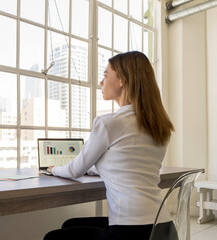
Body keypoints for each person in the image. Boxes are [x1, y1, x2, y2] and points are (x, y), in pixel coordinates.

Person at [44, 51, 175, 240]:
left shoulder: (109, 123)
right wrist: (95, 170)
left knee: (53, 237)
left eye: (106, 75)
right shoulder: (159, 125)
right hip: (163, 228)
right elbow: (129, 167)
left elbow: (74, 170)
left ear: (122, 79)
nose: (101, 82)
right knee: (69, 225)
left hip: (132, 231)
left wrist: (54, 168)